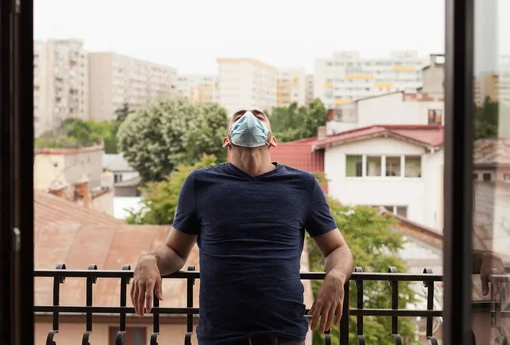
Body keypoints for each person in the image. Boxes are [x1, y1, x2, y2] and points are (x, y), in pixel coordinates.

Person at [131, 106, 354, 345]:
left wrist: (336, 276)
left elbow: (337, 249)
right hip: (219, 335)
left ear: (272, 140)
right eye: (238, 117)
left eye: (259, 116)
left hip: (284, 333)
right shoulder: (200, 183)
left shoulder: (303, 185)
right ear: (227, 140)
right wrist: (149, 260)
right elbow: (175, 252)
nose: (248, 117)